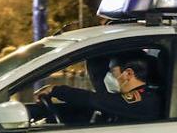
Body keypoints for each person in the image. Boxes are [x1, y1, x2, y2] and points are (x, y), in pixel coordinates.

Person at [34, 52, 162, 123]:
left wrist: (56, 90)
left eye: (112, 72)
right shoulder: (139, 96)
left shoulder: (145, 99)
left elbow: (96, 100)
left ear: (128, 74)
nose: (109, 76)